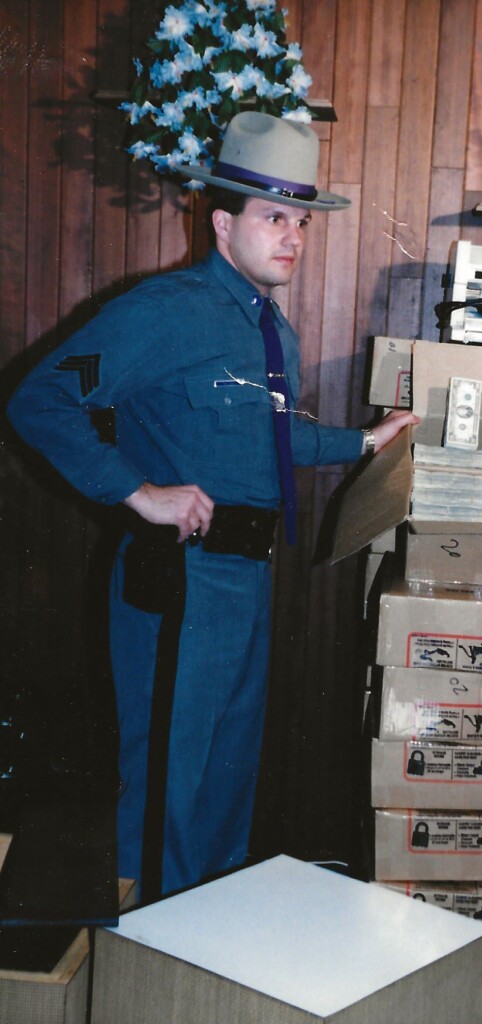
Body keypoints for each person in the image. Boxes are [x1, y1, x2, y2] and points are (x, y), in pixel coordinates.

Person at [6, 111, 417, 900]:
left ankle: (198, 957)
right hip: (178, 582)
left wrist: (364, 444)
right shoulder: (166, 310)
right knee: (169, 780)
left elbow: (270, 439)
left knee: (224, 783)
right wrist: (138, 492)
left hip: (246, 580)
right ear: (222, 223)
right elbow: (38, 402)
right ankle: (147, 973)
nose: (292, 236)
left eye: (300, 220)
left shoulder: (273, 333)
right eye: (273, 218)